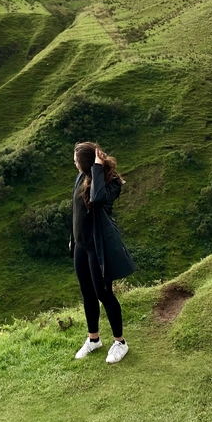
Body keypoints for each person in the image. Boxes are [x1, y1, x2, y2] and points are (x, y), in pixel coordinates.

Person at [70, 141, 137, 363]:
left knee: (104, 294)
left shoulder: (111, 182)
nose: (74, 162)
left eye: (76, 159)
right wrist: (73, 239)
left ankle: (120, 342)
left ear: (88, 164)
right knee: (87, 292)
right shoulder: (81, 177)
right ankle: (94, 339)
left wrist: (97, 168)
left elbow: (97, 197)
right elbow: (76, 209)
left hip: (99, 248)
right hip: (82, 246)